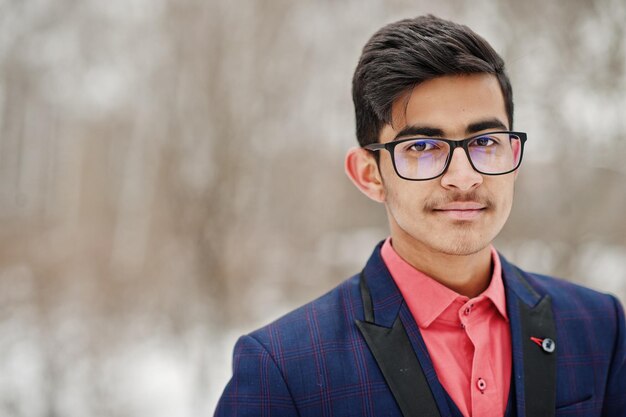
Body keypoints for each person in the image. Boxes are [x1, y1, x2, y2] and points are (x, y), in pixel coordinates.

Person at [214, 15, 626, 417]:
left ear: (514, 156)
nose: (463, 178)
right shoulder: (283, 368)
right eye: (423, 147)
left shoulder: (598, 326)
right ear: (370, 174)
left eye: (485, 142)